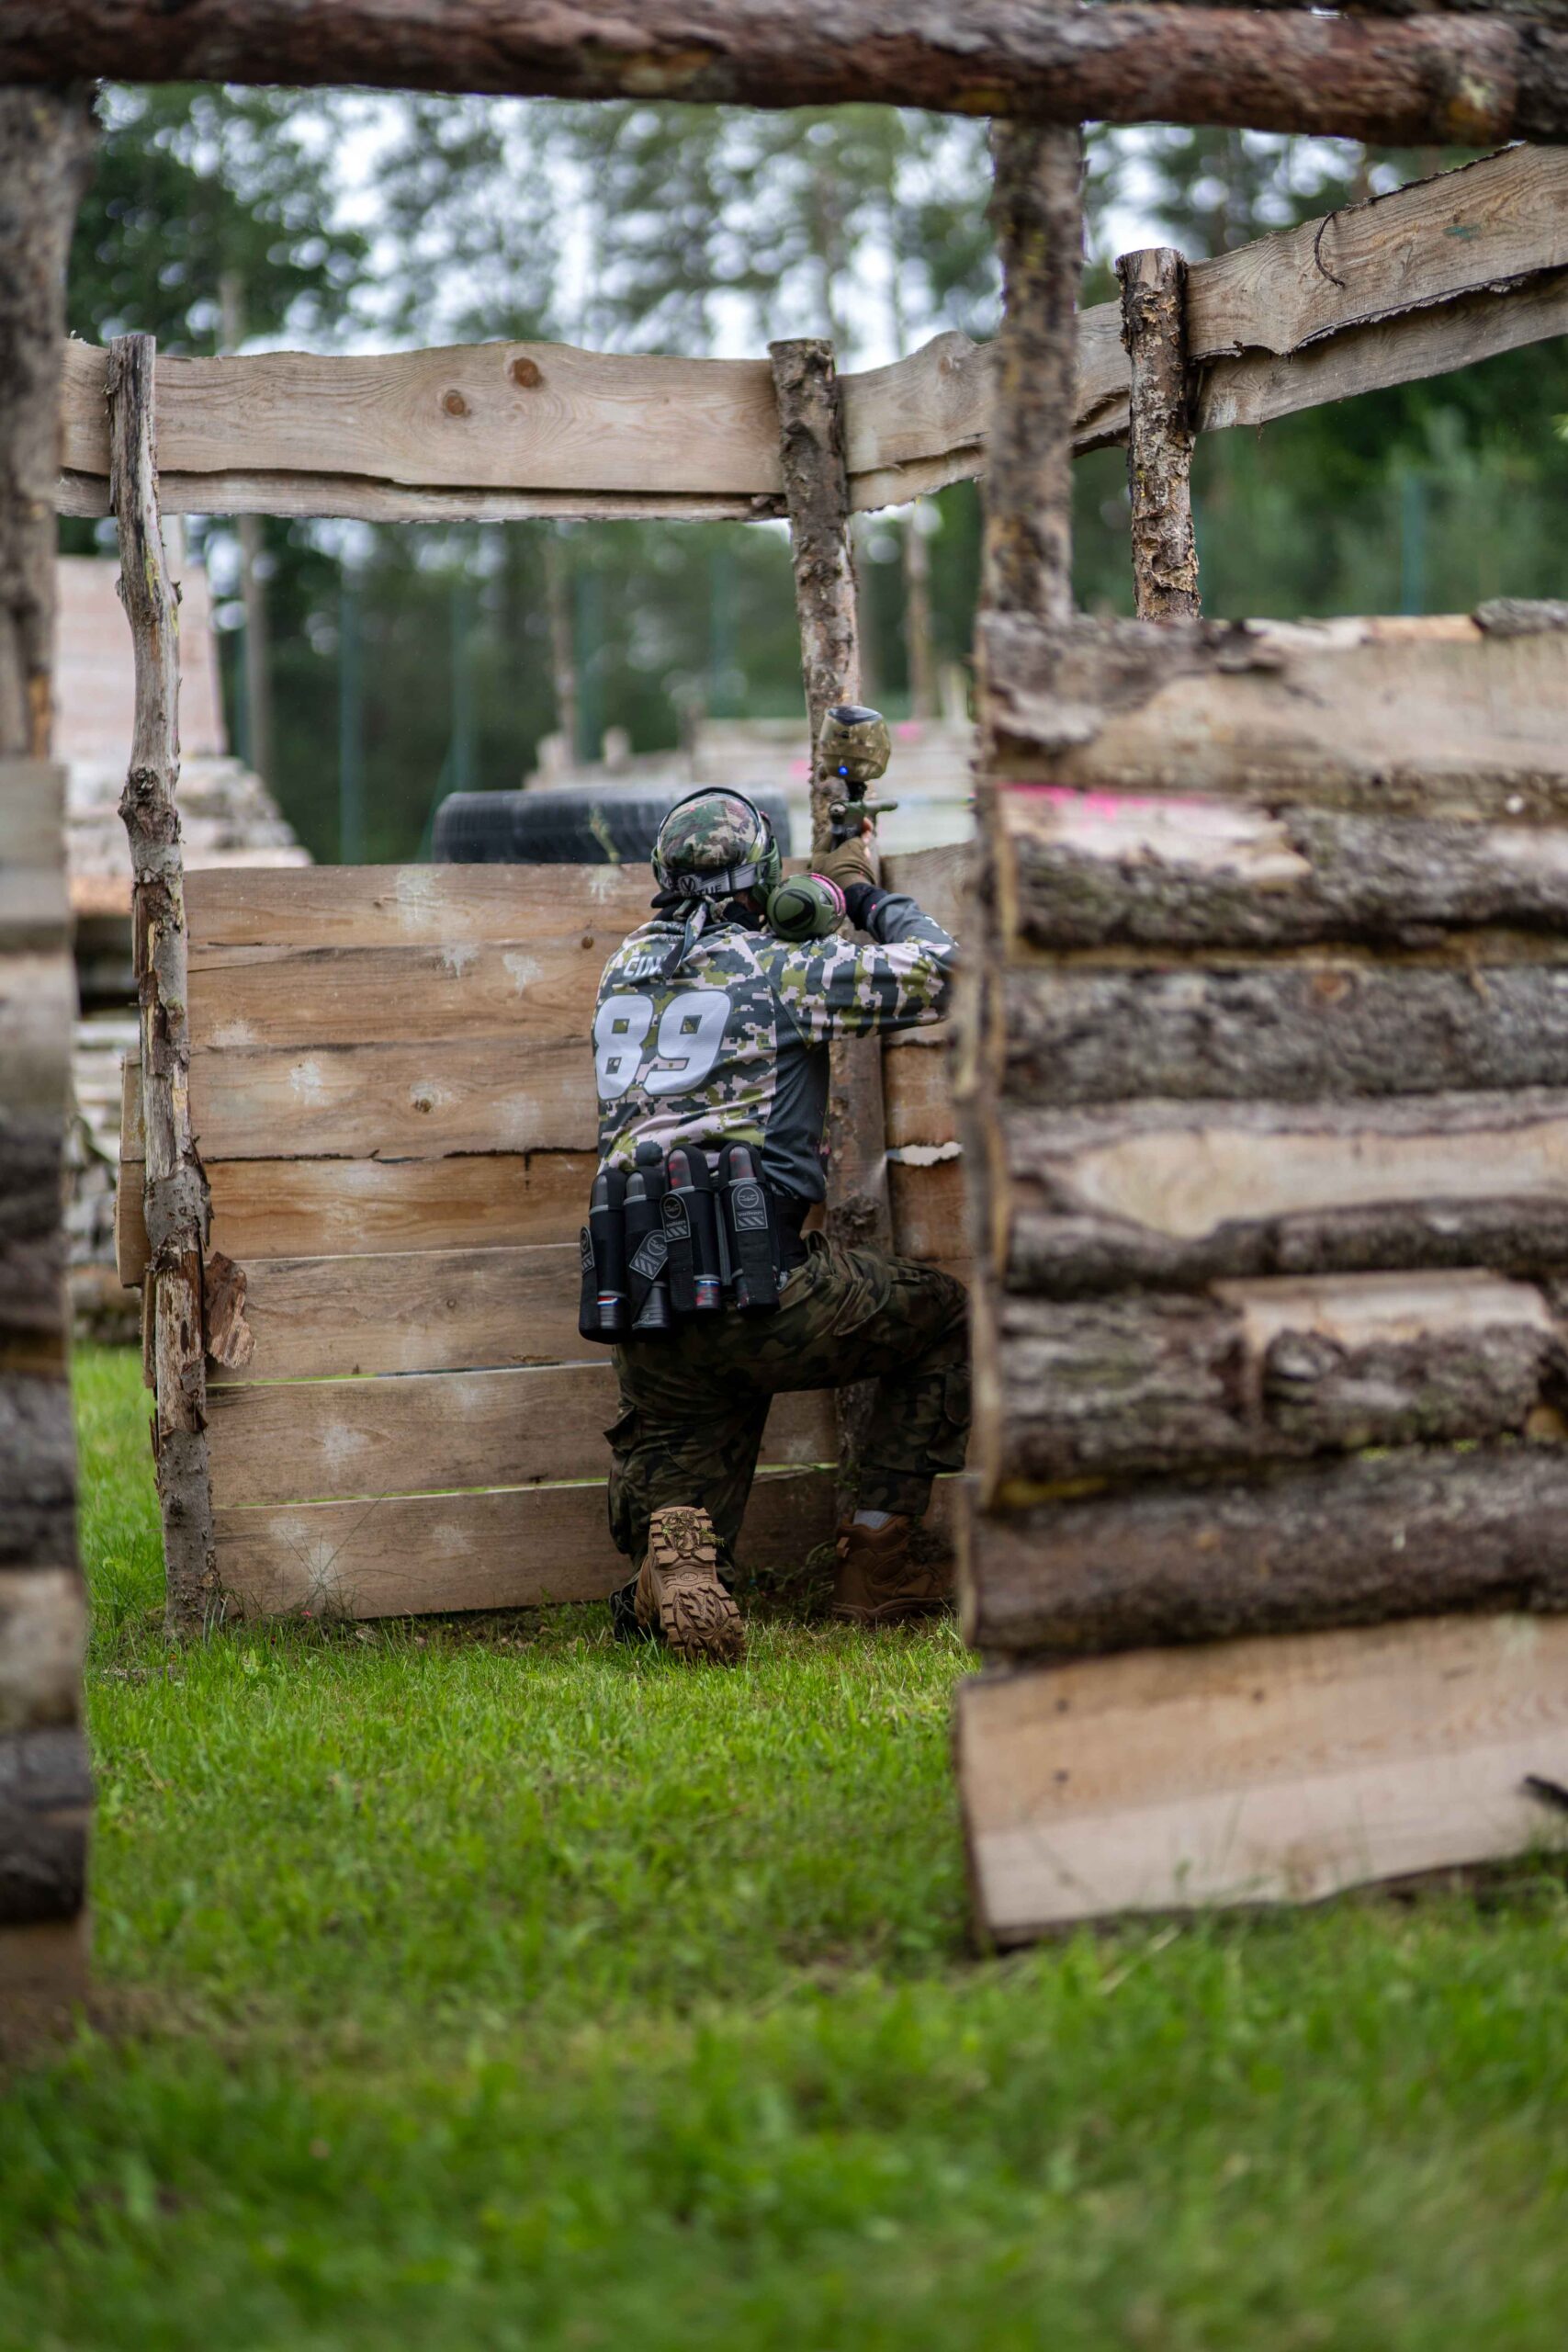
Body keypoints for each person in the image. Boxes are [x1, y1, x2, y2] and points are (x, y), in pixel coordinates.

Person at [591, 784, 968, 1664]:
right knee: (946, 1317)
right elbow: (946, 972)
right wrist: (860, 895)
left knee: (687, 1517)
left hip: (642, 1298)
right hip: (765, 1287)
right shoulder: (778, 969)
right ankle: (877, 1557)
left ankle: (668, 1565)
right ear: (762, 879)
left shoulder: (621, 969)